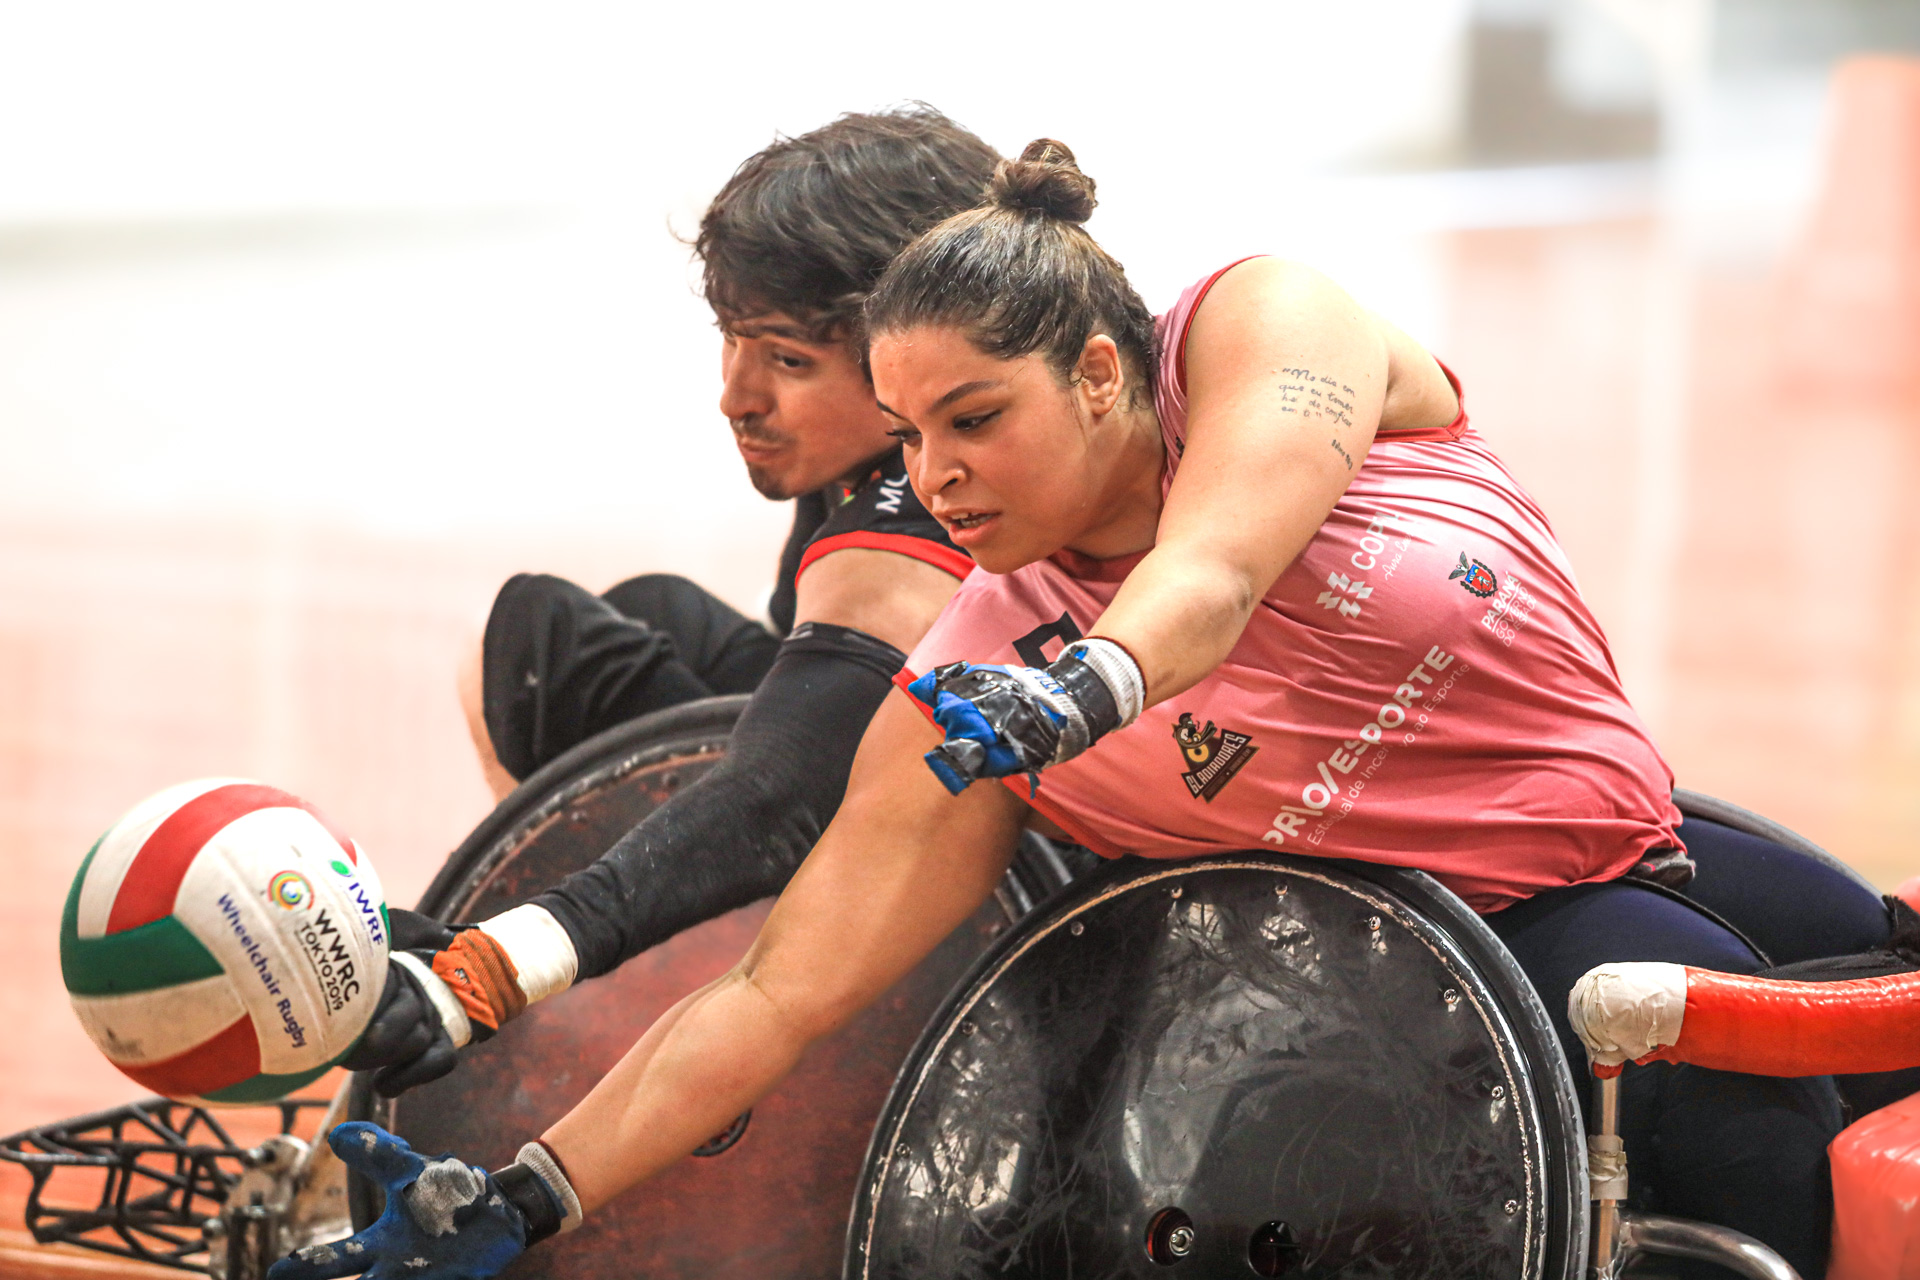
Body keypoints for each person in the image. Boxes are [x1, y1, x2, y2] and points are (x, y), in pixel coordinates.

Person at [285, 141, 1893, 1280]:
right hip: (1450, 967)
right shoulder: (976, 674)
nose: (938, 476)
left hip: (1641, 839)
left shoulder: (1267, 330)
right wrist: (528, 1189)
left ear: (1110, 375)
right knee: (1773, 1161)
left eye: (977, 417)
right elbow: (777, 999)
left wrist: (1091, 692)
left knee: (1876, 996)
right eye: (911, 435)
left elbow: (1220, 562)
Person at [338, 107, 997, 1094]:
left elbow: (777, 797)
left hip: (942, 926)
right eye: (733, 342)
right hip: (923, 822)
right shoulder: (887, 463)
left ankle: (550, 983)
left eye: (786, 359)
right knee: (651, 610)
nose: (736, 396)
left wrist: (507, 953)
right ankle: (562, 940)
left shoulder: (905, 528)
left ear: (914, 353)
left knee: (539, 640)